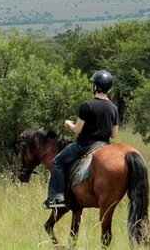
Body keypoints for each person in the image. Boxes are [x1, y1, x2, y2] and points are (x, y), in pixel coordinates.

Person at [44, 70, 120, 209]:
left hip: (84, 145)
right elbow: (114, 134)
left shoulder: (87, 105)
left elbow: (77, 130)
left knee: (57, 162)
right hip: (103, 146)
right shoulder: (113, 108)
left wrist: (68, 124)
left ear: (96, 87)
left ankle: (56, 198)